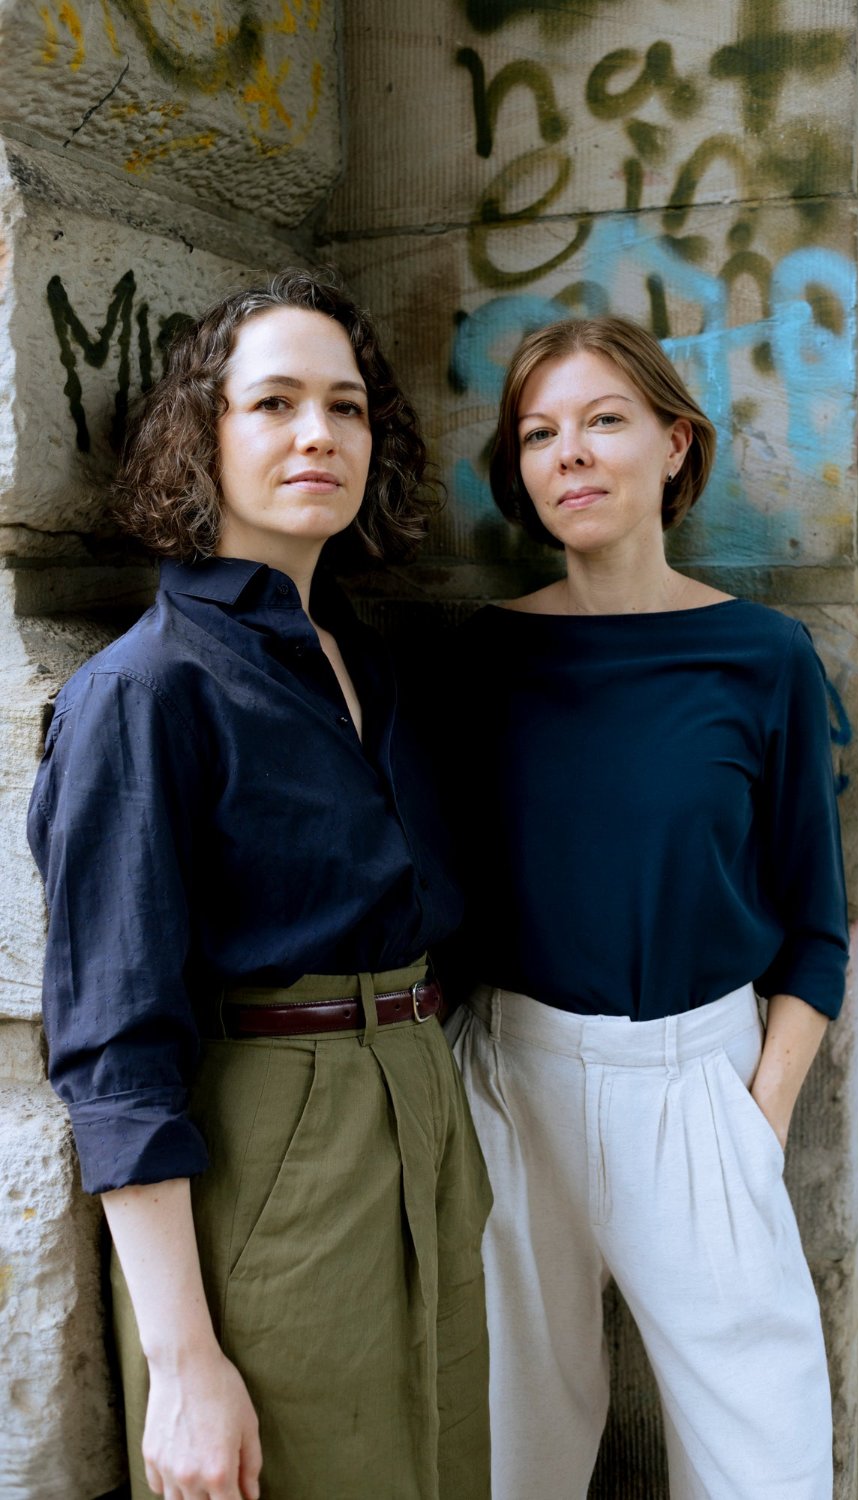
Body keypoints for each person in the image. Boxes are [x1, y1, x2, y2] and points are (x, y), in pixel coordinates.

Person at [27, 270, 491, 1500]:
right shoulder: (144, 692)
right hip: (275, 1151)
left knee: (442, 1467)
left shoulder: (362, 664)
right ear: (202, 437)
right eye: (273, 402)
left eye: (345, 408)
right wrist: (181, 1363)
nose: (317, 435)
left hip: (422, 1121)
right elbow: (115, 1047)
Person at [445, 315, 848, 1500]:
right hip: (512, 1083)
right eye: (539, 432)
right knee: (506, 1460)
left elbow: (815, 928)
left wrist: (756, 1118)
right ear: (520, 472)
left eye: (603, 420)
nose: (569, 452)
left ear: (675, 445)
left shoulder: (764, 657)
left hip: (701, 1090)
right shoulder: (476, 663)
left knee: (764, 1464)